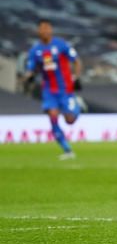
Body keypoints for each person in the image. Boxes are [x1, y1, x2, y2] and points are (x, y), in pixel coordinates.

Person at [22, 19, 83, 160]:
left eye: (46, 28)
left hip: (65, 87)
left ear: (51, 30)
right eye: (41, 28)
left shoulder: (61, 45)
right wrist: (27, 77)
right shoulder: (35, 50)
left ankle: (77, 104)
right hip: (49, 90)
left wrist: (76, 77)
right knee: (53, 117)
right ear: (38, 31)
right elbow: (31, 69)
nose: (44, 31)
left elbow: (76, 60)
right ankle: (67, 150)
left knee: (70, 120)